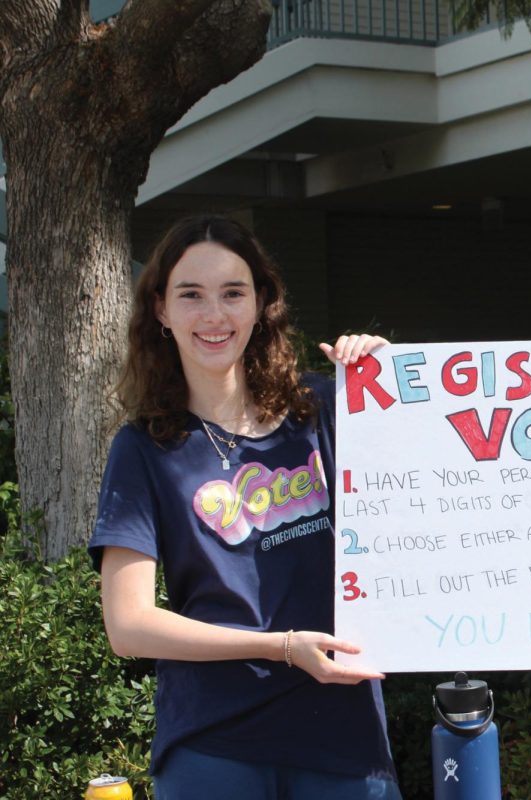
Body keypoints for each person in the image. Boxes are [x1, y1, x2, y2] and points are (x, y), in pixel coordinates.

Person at [89, 215, 401, 799]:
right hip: (214, 743)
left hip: (345, 735)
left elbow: (437, 492)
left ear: (262, 304)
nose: (215, 315)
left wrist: (391, 380)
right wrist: (280, 646)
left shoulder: (328, 411)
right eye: (191, 295)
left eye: (233, 293)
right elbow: (128, 626)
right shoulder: (143, 448)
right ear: (161, 310)